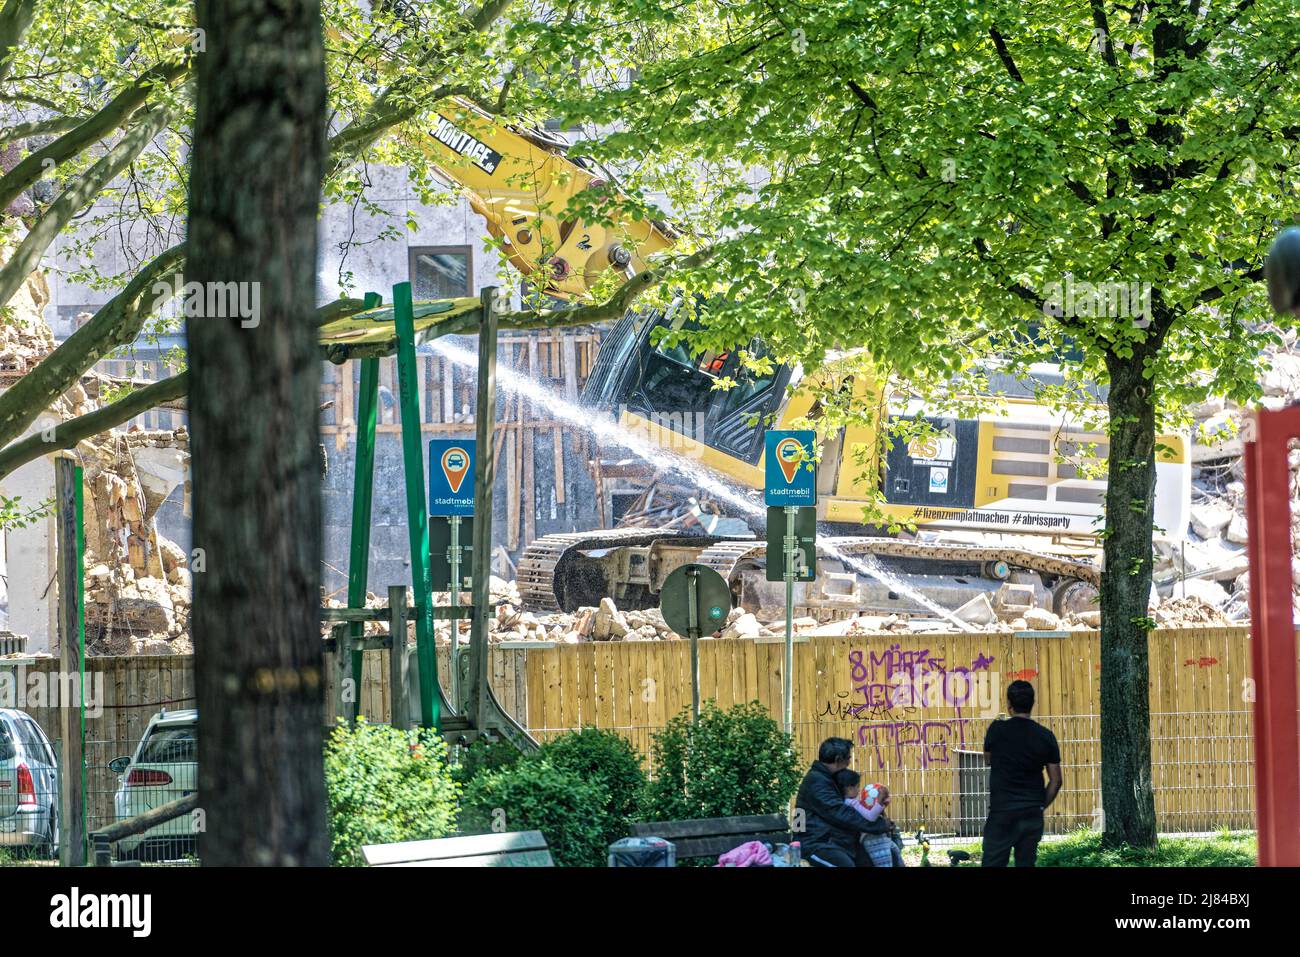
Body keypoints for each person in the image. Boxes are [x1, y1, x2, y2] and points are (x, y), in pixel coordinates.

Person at [981, 680, 1062, 867]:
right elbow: (1056, 781)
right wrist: (1040, 804)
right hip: (1031, 813)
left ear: (1009, 704)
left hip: (1002, 813)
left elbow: (988, 760)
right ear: (1032, 703)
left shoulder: (996, 730)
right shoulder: (1045, 735)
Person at [794, 737, 887, 867]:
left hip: (836, 842)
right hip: (814, 845)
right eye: (848, 758)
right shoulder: (817, 782)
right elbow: (841, 813)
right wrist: (879, 826)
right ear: (838, 759)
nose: (849, 762)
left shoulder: (828, 778)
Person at [836, 769, 905, 867]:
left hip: (867, 840)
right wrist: (880, 799)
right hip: (871, 839)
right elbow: (871, 817)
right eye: (857, 787)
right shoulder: (851, 803)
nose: (859, 790)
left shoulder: (845, 802)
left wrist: (882, 806)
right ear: (849, 788)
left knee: (896, 854)